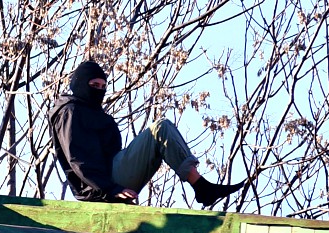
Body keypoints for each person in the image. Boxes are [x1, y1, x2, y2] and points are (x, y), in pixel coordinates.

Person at [50, 61, 243, 206]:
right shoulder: (70, 111)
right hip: (100, 187)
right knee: (161, 128)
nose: (99, 90)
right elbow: (78, 159)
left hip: (111, 178)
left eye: (103, 87)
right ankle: (202, 188)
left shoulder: (99, 115)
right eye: (94, 85)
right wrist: (111, 190)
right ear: (80, 84)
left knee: (163, 128)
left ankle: (202, 187)